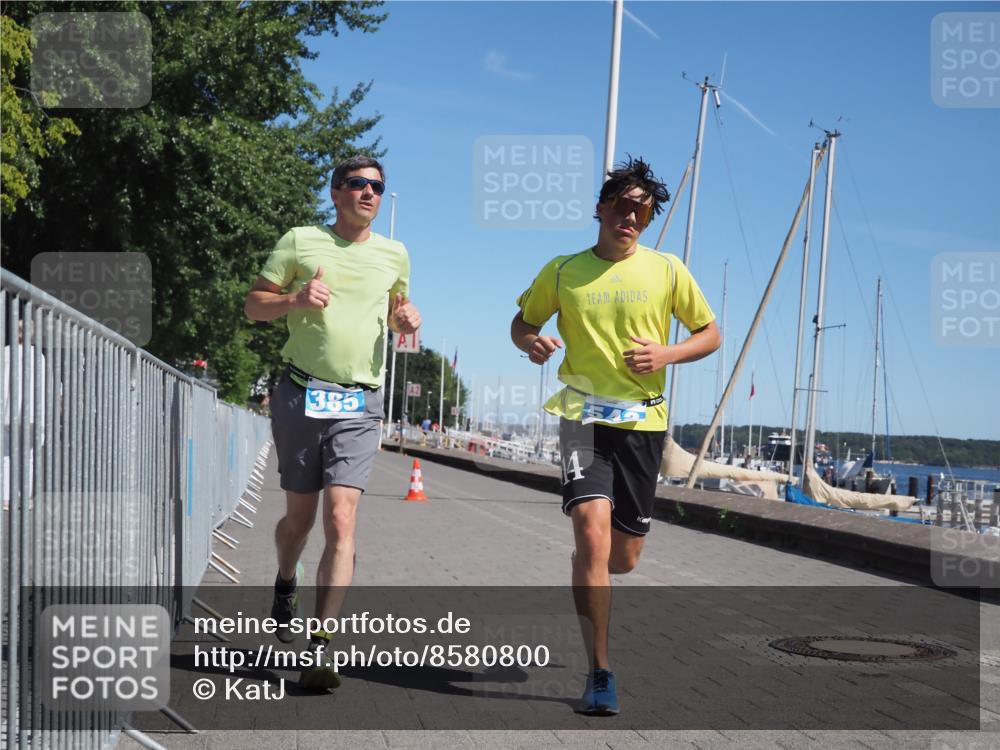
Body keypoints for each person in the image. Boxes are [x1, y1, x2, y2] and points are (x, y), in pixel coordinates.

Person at [510, 157, 721, 715]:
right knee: (591, 536)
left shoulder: (668, 270)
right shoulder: (563, 270)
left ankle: (598, 576)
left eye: (641, 211)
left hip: (643, 423)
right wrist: (530, 341)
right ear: (600, 209)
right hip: (582, 416)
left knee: (622, 558)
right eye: (621, 206)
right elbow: (522, 323)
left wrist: (667, 353)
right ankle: (600, 670)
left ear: (647, 221)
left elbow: (711, 333)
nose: (630, 216)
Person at [244, 155, 420, 690]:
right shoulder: (300, 241)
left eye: (377, 187)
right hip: (301, 393)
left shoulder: (395, 253)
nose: (369, 193)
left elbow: (395, 311)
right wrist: (295, 299)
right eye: (358, 184)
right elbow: (254, 304)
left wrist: (405, 319)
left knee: (341, 519)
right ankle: (284, 577)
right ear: (336, 190)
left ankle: (322, 646)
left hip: (359, 402)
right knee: (298, 521)